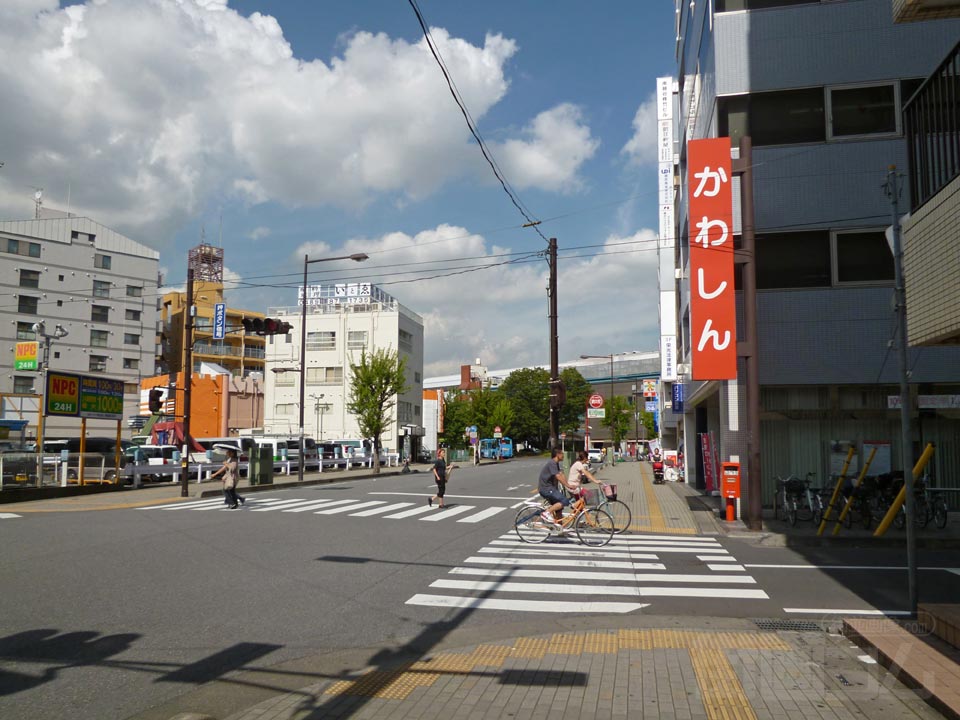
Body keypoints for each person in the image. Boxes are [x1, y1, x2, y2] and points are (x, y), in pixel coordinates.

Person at [538, 447, 575, 526]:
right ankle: (546, 513)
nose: (563, 455)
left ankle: (559, 529)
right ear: (557, 454)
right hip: (546, 489)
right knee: (565, 501)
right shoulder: (552, 463)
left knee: (559, 509)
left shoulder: (556, 463)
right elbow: (558, 476)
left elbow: (561, 474)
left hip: (550, 488)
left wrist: (568, 486)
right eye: (562, 453)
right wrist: (568, 485)